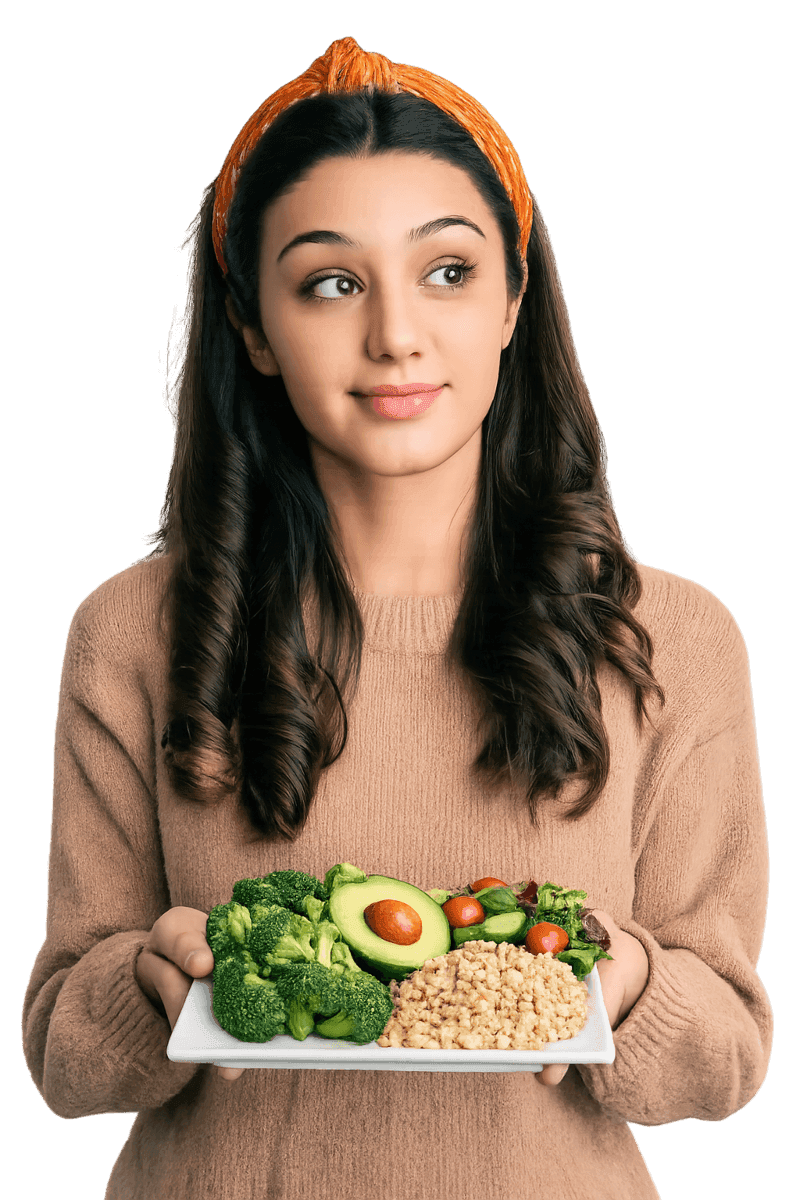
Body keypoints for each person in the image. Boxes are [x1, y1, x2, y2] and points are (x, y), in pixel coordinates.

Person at [21, 36, 772, 1200]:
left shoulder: (668, 636)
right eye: (331, 283)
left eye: (447, 271)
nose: (394, 336)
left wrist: (624, 985)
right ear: (254, 328)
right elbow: (63, 1060)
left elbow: (726, 1054)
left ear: (513, 301)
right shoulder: (132, 633)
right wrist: (144, 986)